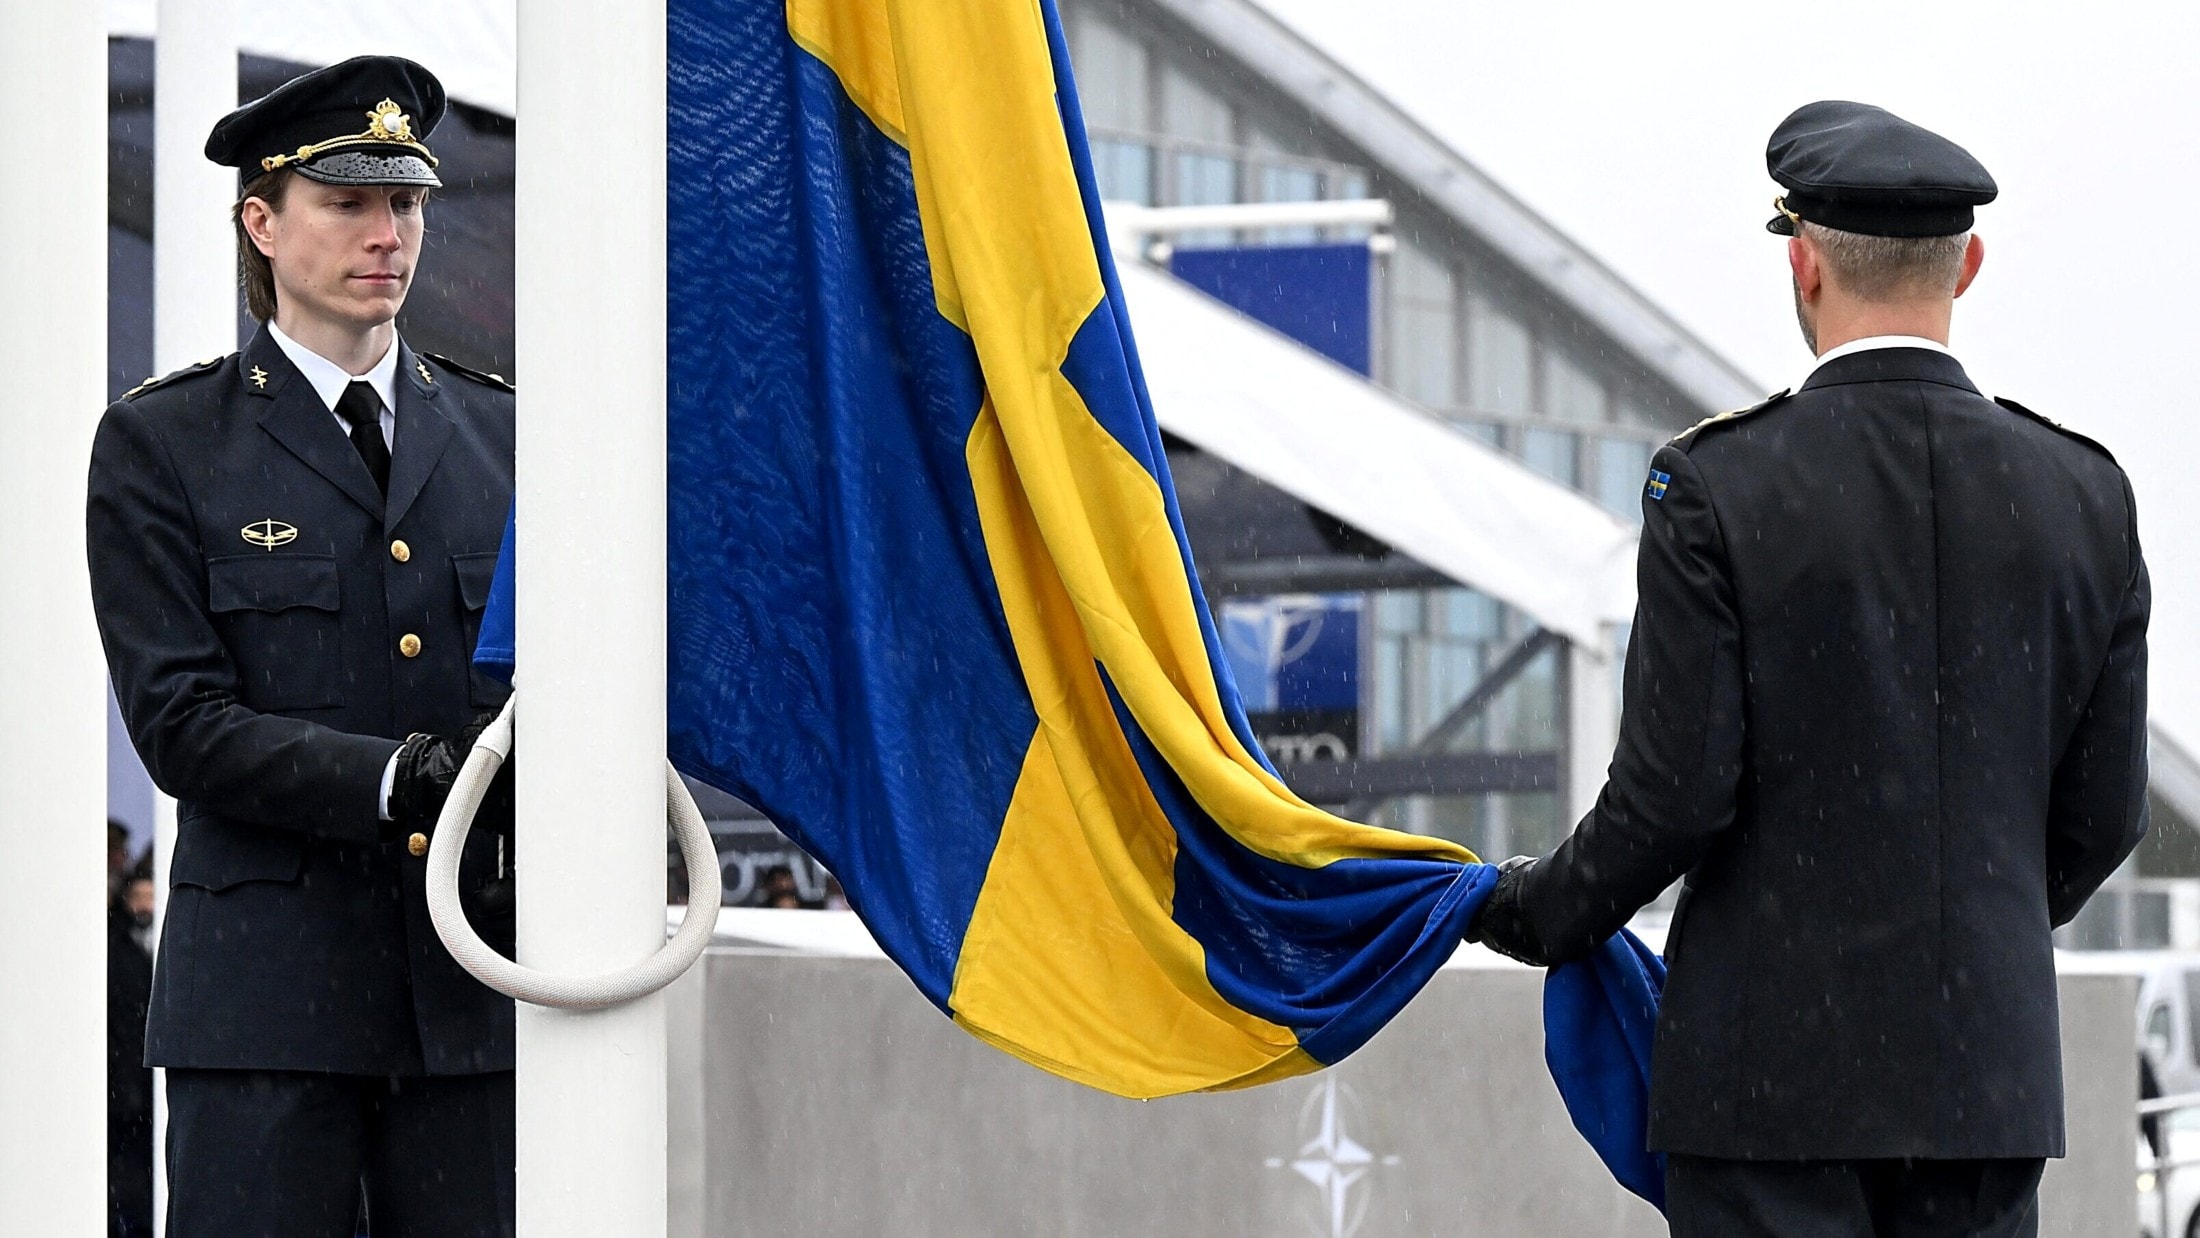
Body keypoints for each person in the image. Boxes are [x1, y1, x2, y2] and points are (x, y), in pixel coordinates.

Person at [1468, 100, 2150, 1237]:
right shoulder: (2084, 496)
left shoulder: (1717, 486)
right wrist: (1965, 923)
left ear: (1803, 262)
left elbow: (1672, 794)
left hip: (1764, 1091)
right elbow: (2102, 816)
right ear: (1966, 265)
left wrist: (1534, 907)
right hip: (1984, 1086)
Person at [87, 56, 517, 1237]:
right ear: (262, 221)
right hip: (267, 1013)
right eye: (348, 202)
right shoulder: (163, 444)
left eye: (408, 202)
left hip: (474, 996)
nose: (389, 233)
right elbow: (182, 722)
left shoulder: (510, 437)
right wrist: (395, 777)